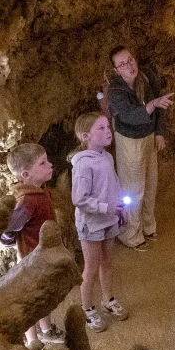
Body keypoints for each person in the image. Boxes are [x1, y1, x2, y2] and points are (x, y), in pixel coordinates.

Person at [1, 142, 65, 350]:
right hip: (32, 258)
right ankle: (33, 342)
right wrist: (10, 240)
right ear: (26, 174)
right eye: (43, 163)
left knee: (45, 296)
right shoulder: (27, 199)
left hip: (44, 254)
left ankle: (46, 330)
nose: (50, 165)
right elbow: (9, 227)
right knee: (32, 300)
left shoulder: (39, 191)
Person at [107, 45, 174, 251]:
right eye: (123, 64)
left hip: (148, 136)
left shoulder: (146, 77)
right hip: (129, 140)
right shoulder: (116, 91)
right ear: (117, 70)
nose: (129, 66)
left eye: (130, 60)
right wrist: (153, 104)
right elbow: (131, 116)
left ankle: (147, 225)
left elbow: (159, 108)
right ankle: (130, 234)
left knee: (150, 184)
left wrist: (159, 132)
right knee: (133, 189)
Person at [71, 112, 128, 332]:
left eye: (107, 127)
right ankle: (87, 308)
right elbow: (79, 199)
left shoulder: (107, 157)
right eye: (101, 129)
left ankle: (108, 299)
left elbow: (112, 184)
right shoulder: (84, 164)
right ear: (86, 136)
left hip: (109, 219)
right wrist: (107, 207)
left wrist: (119, 206)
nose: (108, 132)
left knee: (108, 263)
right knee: (91, 268)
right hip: (92, 223)